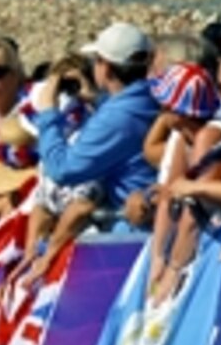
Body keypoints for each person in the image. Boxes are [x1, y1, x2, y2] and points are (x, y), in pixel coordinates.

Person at [33, 22, 159, 224]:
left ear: (107, 68)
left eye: (97, 61)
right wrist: (95, 99)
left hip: (132, 221)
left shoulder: (116, 117)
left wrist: (48, 112)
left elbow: (62, 169)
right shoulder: (151, 95)